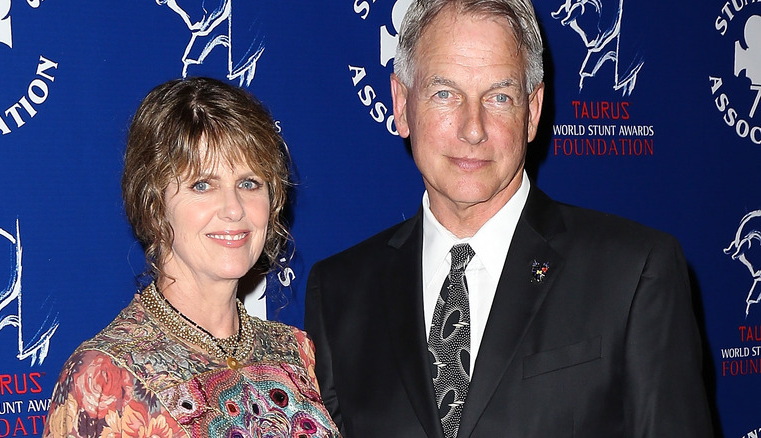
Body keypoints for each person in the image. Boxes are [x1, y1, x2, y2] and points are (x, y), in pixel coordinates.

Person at [304, 0, 713, 437]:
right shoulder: (339, 293)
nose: (473, 128)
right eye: (445, 94)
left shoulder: (633, 273)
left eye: (499, 97)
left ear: (533, 111)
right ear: (401, 104)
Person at [44, 77, 339, 438]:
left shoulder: (294, 351)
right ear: (153, 205)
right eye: (203, 185)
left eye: (249, 183)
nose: (234, 209)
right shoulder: (105, 378)